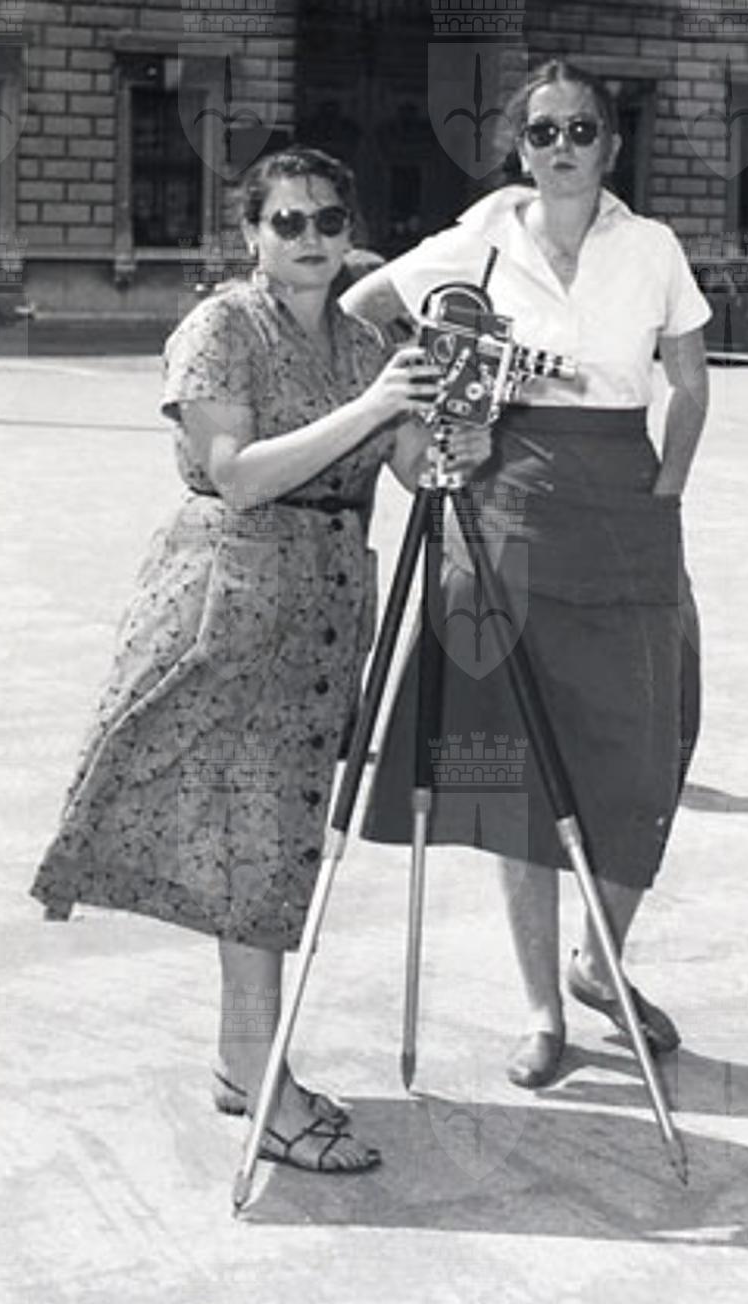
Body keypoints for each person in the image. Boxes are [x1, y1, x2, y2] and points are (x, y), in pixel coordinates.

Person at [30, 146, 488, 1173]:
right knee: (255, 837)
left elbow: (415, 469)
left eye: (329, 219)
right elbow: (235, 474)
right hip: (228, 600)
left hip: (326, 601)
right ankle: (256, 1070)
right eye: (287, 221)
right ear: (250, 233)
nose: (311, 237)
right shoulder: (222, 327)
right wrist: (374, 407)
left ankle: (245, 1061)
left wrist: (460, 436)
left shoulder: (369, 337)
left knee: (276, 838)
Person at [343, 60, 712, 1088]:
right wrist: (436, 396)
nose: (562, 148)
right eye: (542, 131)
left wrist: (667, 486)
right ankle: (542, 1008)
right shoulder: (479, 239)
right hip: (505, 502)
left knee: (643, 751)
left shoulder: (651, 246)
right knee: (516, 760)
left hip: (627, 503)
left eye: (581, 129)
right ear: (519, 145)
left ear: (612, 144)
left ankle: (600, 961)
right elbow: (366, 303)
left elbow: (688, 383)